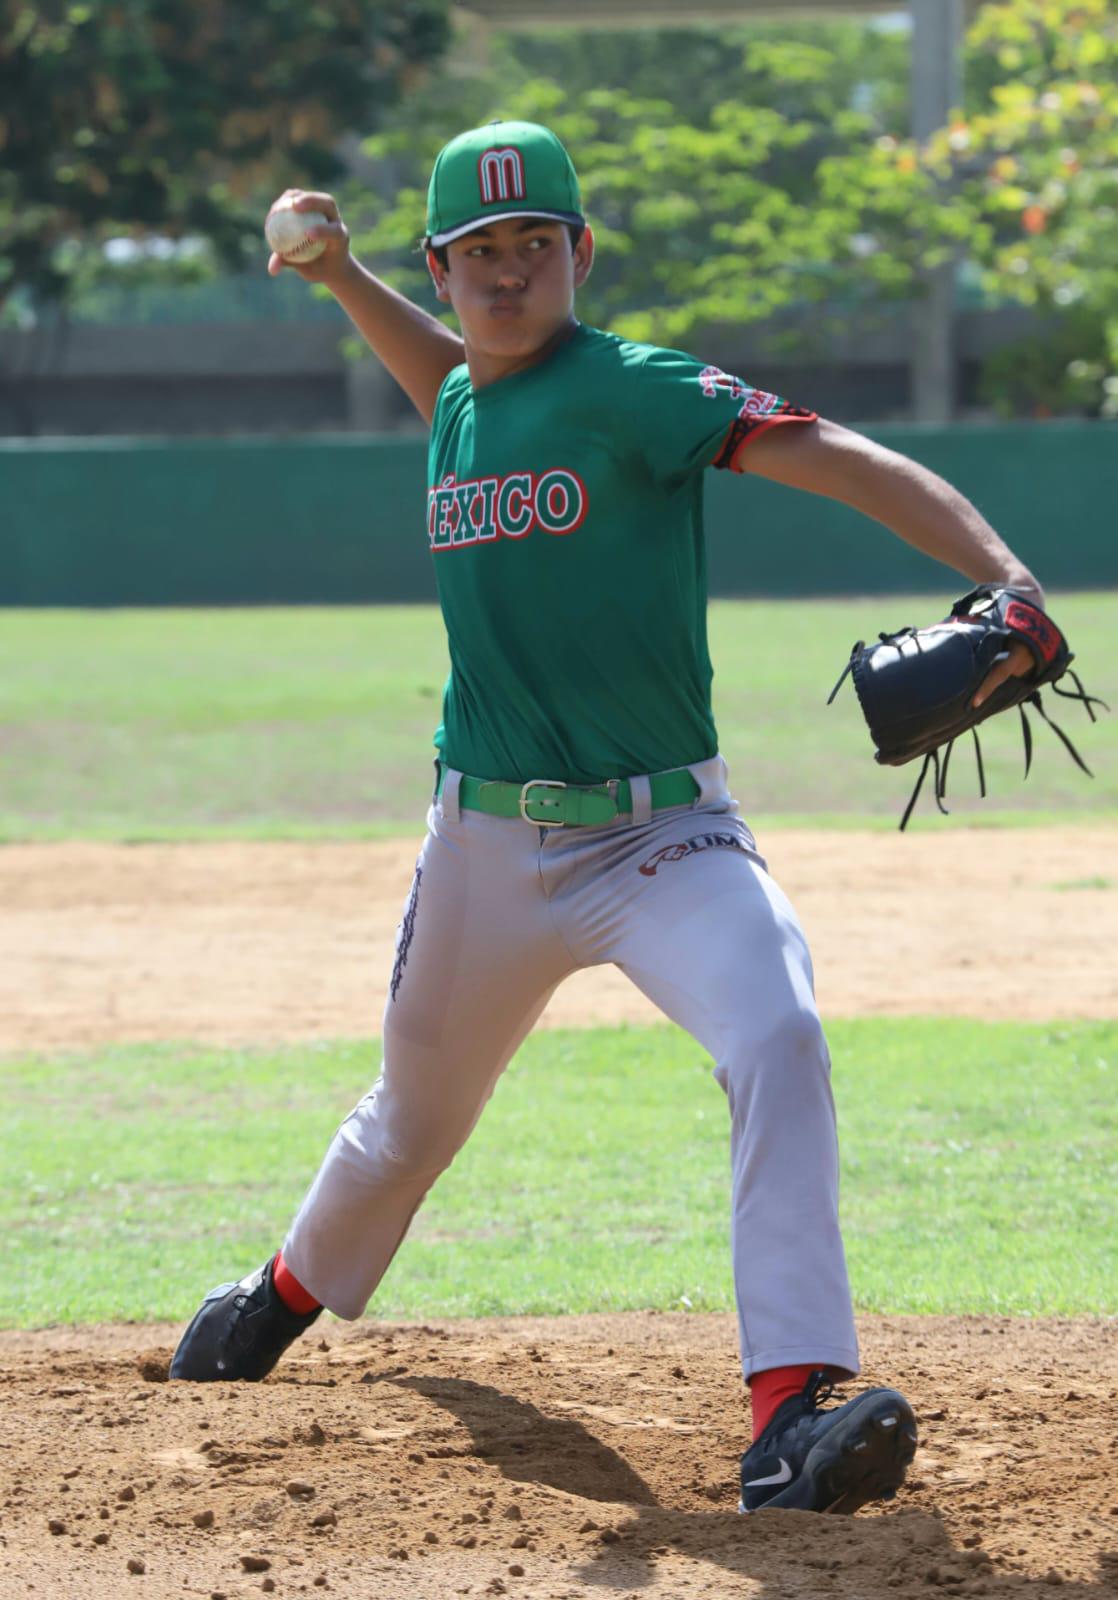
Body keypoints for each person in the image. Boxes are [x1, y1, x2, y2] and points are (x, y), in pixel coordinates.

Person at [170, 120, 1043, 1515]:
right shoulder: (459, 393)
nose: (506, 272)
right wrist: (336, 274)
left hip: (661, 839)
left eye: (535, 244)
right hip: (485, 851)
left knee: (778, 1030)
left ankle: (789, 1413)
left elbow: (838, 455)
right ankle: (284, 1289)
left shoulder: (635, 389)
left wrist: (1005, 576)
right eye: (477, 253)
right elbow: (442, 372)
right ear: (444, 271)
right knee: (410, 1121)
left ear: (578, 254)